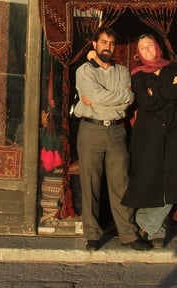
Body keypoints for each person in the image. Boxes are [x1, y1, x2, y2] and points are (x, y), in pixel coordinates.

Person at [72, 27, 150, 251]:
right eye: (104, 42)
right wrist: (113, 97)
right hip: (91, 131)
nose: (108, 47)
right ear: (94, 45)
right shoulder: (84, 71)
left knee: (121, 184)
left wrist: (105, 99)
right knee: (90, 184)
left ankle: (128, 235)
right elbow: (97, 95)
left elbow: (128, 98)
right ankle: (93, 234)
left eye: (112, 43)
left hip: (116, 132)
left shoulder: (123, 71)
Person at [122, 33, 177, 249]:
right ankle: (156, 230)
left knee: (172, 182)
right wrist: (169, 89)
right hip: (148, 135)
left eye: (150, 45)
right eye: (143, 47)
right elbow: (146, 102)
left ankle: (147, 224)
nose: (148, 50)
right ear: (138, 53)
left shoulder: (174, 68)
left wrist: (156, 92)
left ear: (157, 47)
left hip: (174, 133)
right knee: (150, 181)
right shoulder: (138, 75)